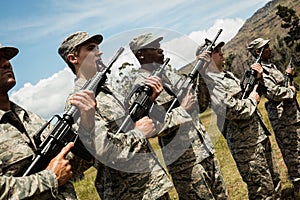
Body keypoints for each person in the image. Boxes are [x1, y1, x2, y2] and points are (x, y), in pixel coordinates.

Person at [58, 31, 173, 200]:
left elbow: (131, 124)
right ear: (73, 59)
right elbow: (103, 150)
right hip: (127, 193)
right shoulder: (77, 103)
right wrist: (139, 133)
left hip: (152, 184)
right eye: (91, 49)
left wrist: (148, 101)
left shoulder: (109, 91)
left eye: (98, 47)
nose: (99, 52)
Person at [128, 32, 228, 200]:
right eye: (155, 47)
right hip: (185, 163)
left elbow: (200, 106)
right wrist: (182, 109)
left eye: (160, 46)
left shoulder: (171, 75)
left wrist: (202, 74)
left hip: (205, 150)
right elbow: (153, 127)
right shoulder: (141, 88)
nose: (160, 50)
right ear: (141, 54)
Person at [0, 43, 96, 199]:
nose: (6, 63)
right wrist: (49, 179)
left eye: (6, 58)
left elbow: (74, 166)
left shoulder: (32, 119)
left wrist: (87, 125)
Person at [199, 39, 281, 199]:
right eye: (217, 51)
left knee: (274, 181)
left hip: (257, 136)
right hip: (245, 145)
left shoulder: (226, 75)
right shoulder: (212, 83)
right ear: (208, 58)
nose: (222, 53)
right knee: (262, 192)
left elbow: (243, 93)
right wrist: (253, 100)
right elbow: (232, 110)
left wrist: (256, 78)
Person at [247, 37, 300, 198]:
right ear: (258, 52)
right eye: (266, 47)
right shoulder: (260, 71)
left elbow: (280, 85)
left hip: (291, 114)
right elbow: (273, 93)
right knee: (293, 152)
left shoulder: (270, 66)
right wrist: (291, 91)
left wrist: (287, 76)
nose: (270, 49)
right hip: (282, 118)